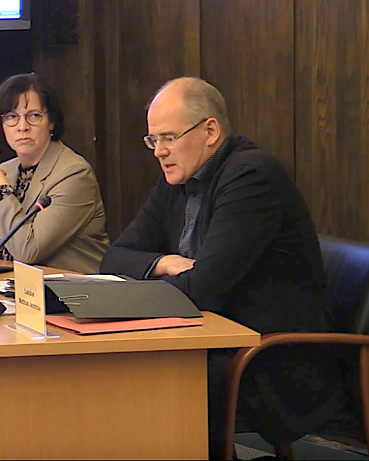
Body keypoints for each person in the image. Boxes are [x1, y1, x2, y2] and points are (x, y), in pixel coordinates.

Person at [100, 77, 339, 459]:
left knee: (148, 376)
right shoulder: (175, 179)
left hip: (274, 359)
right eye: (152, 140)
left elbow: (203, 288)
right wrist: (163, 263)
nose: (159, 152)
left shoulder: (250, 175)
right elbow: (115, 256)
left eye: (168, 138)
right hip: (215, 339)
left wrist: (154, 284)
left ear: (210, 130)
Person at [0, 73, 109, 273]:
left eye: (34, 116)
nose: (22, 127)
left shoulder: (74, 174)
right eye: (11, 117)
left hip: (69, 295)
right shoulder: (6, 171)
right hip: (6, 288)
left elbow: (27, 250)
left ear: (51, 122)